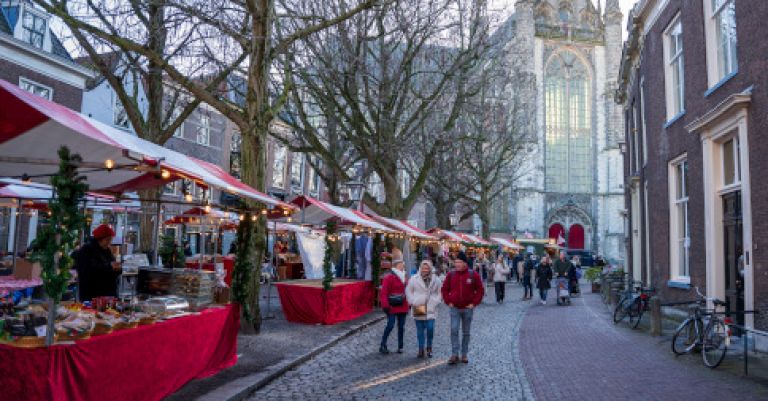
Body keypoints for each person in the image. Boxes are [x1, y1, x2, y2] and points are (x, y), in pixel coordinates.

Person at [441, 256, 484, 364]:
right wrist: (448, 301)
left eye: (459, 262)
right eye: (456, 262)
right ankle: (455, 354)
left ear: (465, 263)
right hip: (454, 307)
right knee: (454, 330)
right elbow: (444, 289)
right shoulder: (451, 274)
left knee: (466, 332)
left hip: (467, 308)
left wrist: (474, 303)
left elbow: (480, 290)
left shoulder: (473, 274)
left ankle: (464, 354)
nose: (457, 264)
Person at [73, 224, 121, 301]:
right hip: (92, 293)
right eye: (107, 240)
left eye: (110, 240)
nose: (109, 243)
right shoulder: (87, 250)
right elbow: (89, 270)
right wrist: (110, 266)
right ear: (100, 239)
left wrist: (117, 269)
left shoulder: (107, 250)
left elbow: (111, 265)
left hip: (107, 293)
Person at [405, 260, 443, 358]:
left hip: (431, 306)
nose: (425, 270)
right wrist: (413, 301)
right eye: (423, 268)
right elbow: (408, 290)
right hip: (419, 306)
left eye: (427, 268)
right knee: (420, 330)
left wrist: (436, 301)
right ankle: (421, 349)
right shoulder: (414, 279)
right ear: (420, 268)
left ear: (430, 269)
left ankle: (429, 347)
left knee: (430, 328)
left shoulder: (436, 279)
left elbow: (440, 292)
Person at [379, 256, 409, 354]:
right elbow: (384, 292)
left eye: (403, 265)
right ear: (396, 266)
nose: (403, 266)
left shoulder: (404, 277)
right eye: (401, 265)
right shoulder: (389, 277)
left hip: (403, 305)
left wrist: (410, 302)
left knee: (401, 327)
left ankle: (400, 346)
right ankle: (383, 344)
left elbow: (408, 290)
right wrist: (385, 306)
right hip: (391, 305)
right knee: (390, 325)